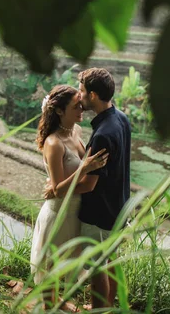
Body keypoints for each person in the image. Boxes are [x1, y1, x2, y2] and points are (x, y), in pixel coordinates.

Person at [45, 68, 131, 310]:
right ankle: (109, 307)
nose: (79, 97)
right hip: (119, 205)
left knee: (97, 269)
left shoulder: (102, 134)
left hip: (100, 212)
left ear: (93, 95)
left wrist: (56, 189)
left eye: (81, 91)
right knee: (110, 260)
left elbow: (90, 183)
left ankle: (98, 309)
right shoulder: (120, 118)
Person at [30, 84, 108, 311]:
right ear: (60, 111)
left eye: (81, 104)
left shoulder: (77, 132)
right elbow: (58, 189)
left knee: (67, 263)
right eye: (76, 106)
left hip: (76, 211)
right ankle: (49, 307)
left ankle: (59, 304)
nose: (82, 108)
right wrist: (84, 168)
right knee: (51, 265)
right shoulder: (54, 143)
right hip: (58, 213)